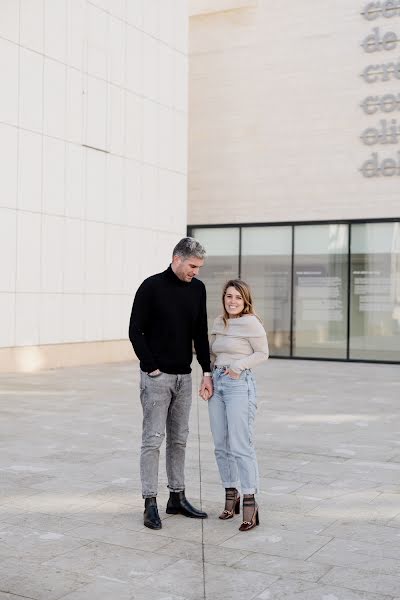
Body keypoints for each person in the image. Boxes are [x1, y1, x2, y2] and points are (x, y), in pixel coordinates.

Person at [129, 237, 213, 530]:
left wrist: (206, 370)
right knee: (152, 440)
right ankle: (149, 502)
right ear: (177, 258)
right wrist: (151, 367)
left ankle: (176, 497)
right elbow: (135, 330)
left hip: (185, 378)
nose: (196, 272)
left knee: (179, 439)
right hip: (157, 378)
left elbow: (200, 331)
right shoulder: (151, 287)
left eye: (199, 267)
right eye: (192, 266)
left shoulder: (198, 290)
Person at [201, 279, 269, 531]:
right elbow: (212, 354)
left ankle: (250, 499)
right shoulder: (220, 322)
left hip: (239, 384)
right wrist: (206, 377)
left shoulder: (251, 322)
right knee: (220, 444)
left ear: (245, 300)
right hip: (217, 382)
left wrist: (238, 367)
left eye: (238, 297)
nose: (232, 301)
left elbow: (263, 353)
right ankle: (231, 493)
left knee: (241, 444)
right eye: (229, 296)